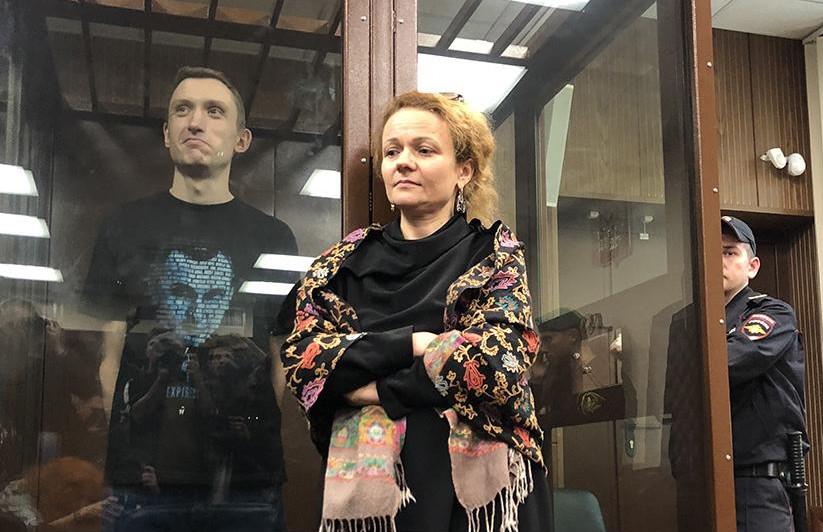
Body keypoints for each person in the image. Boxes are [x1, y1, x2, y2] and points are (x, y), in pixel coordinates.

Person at [281, 91, 550, 532]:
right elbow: (304, 362)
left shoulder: (494, 254)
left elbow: (497, 365)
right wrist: (416, 343)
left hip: (482, 501)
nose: (403, 161)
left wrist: (368, 387)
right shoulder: (342, 263)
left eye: (424, 150)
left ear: (464, 170)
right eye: (392, 151)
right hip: (371, 498)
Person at [82, 66, 297, 531]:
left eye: (213, 111)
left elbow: (281, 359)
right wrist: (133, 443)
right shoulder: (123, 226)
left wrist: (252, 433)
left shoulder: (275, 238)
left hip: (246, 484)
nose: (195, 122)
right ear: (166, 133)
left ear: (241, 140)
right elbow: (109, 355)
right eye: (183, 109)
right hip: (143, 485)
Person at [721, 215, 807, 532]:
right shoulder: (688, 323)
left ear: (752, 266)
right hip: (702, 479)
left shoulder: (772, 313)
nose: (720, 261)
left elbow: (731, 362)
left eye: (730, 252)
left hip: (756, 483)